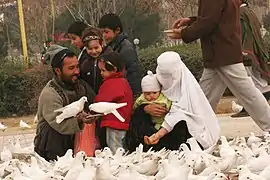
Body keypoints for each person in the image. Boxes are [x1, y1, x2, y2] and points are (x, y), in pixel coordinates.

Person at [171, 0, 270, 132]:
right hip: (222, 52)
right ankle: (197, 130)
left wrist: (184, 33)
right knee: (205, 97)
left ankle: (196, 130)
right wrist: (191, 21)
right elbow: (217, 18)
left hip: (221, 52)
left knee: (247, 93)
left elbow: (208, 22)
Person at [124, 52, 220, 152]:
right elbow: (139, 102)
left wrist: (158, 134)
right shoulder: (154, 81)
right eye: (163, 75)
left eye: (169, 75)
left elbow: (178, 115)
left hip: (177, 135)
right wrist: (145, 108)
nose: (165, 79)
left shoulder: (187, 91)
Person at [34, 45, 96, 161]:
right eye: (71, 68)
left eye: (77, 67)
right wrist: (79, 119)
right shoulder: (50, 94)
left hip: (76, 141)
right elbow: (57, 122)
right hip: (53, 144)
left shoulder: (81, 86)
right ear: (58, 71)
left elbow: (93, 103)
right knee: (50, 130)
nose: (77, 71)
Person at [232, 0, 270, 117]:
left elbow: (245, 34)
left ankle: (249, 108)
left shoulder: (241, 13)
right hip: (253, 51)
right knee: (256, 81)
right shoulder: (249, 12)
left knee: (249, 81)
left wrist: (244, 51)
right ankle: (249, 108)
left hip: (247, 53)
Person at [95, 51, 133, 154]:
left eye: (103, 70)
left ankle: (119, 165)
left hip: (115, 122)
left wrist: (93, 107)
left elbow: (102, 100)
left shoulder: (113, 83)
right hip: (119, 121)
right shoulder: (122, 81)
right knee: (119, 145)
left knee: (115, 148)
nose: (101, 73)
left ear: (114, 69)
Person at [98, 13, 142, 97]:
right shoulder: (111, 47)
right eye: (102, 32)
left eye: (106, 32)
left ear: (117, 30)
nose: (104, 35)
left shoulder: (126, 49)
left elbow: (133, 76)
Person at [80, 27, 112, 94]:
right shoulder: (84, 63)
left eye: (96, 48)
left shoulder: (110, 59)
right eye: (90, 49)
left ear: (102, 43)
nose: (94, 51)